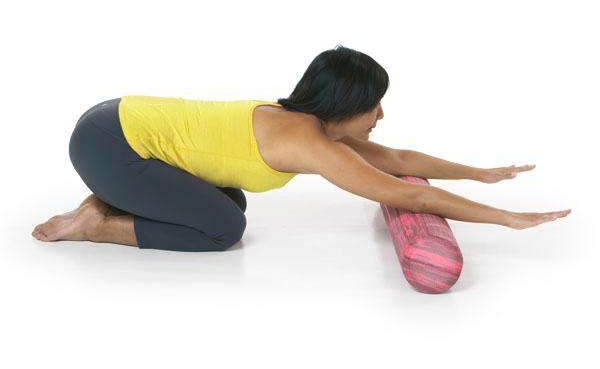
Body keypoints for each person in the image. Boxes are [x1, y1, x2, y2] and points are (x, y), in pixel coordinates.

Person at [31, 45, 571, 251]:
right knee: (222, 228)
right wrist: (506, 219)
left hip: (118, 120)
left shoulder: (307, 121)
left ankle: (104, 200)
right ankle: (95, 224)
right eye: (374, 106)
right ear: (346, 105)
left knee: (229, 199)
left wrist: (480, 173)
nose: (380, 117)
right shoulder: (310, 144)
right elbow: (410, 194)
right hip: (109, 144)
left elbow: (399, 162)